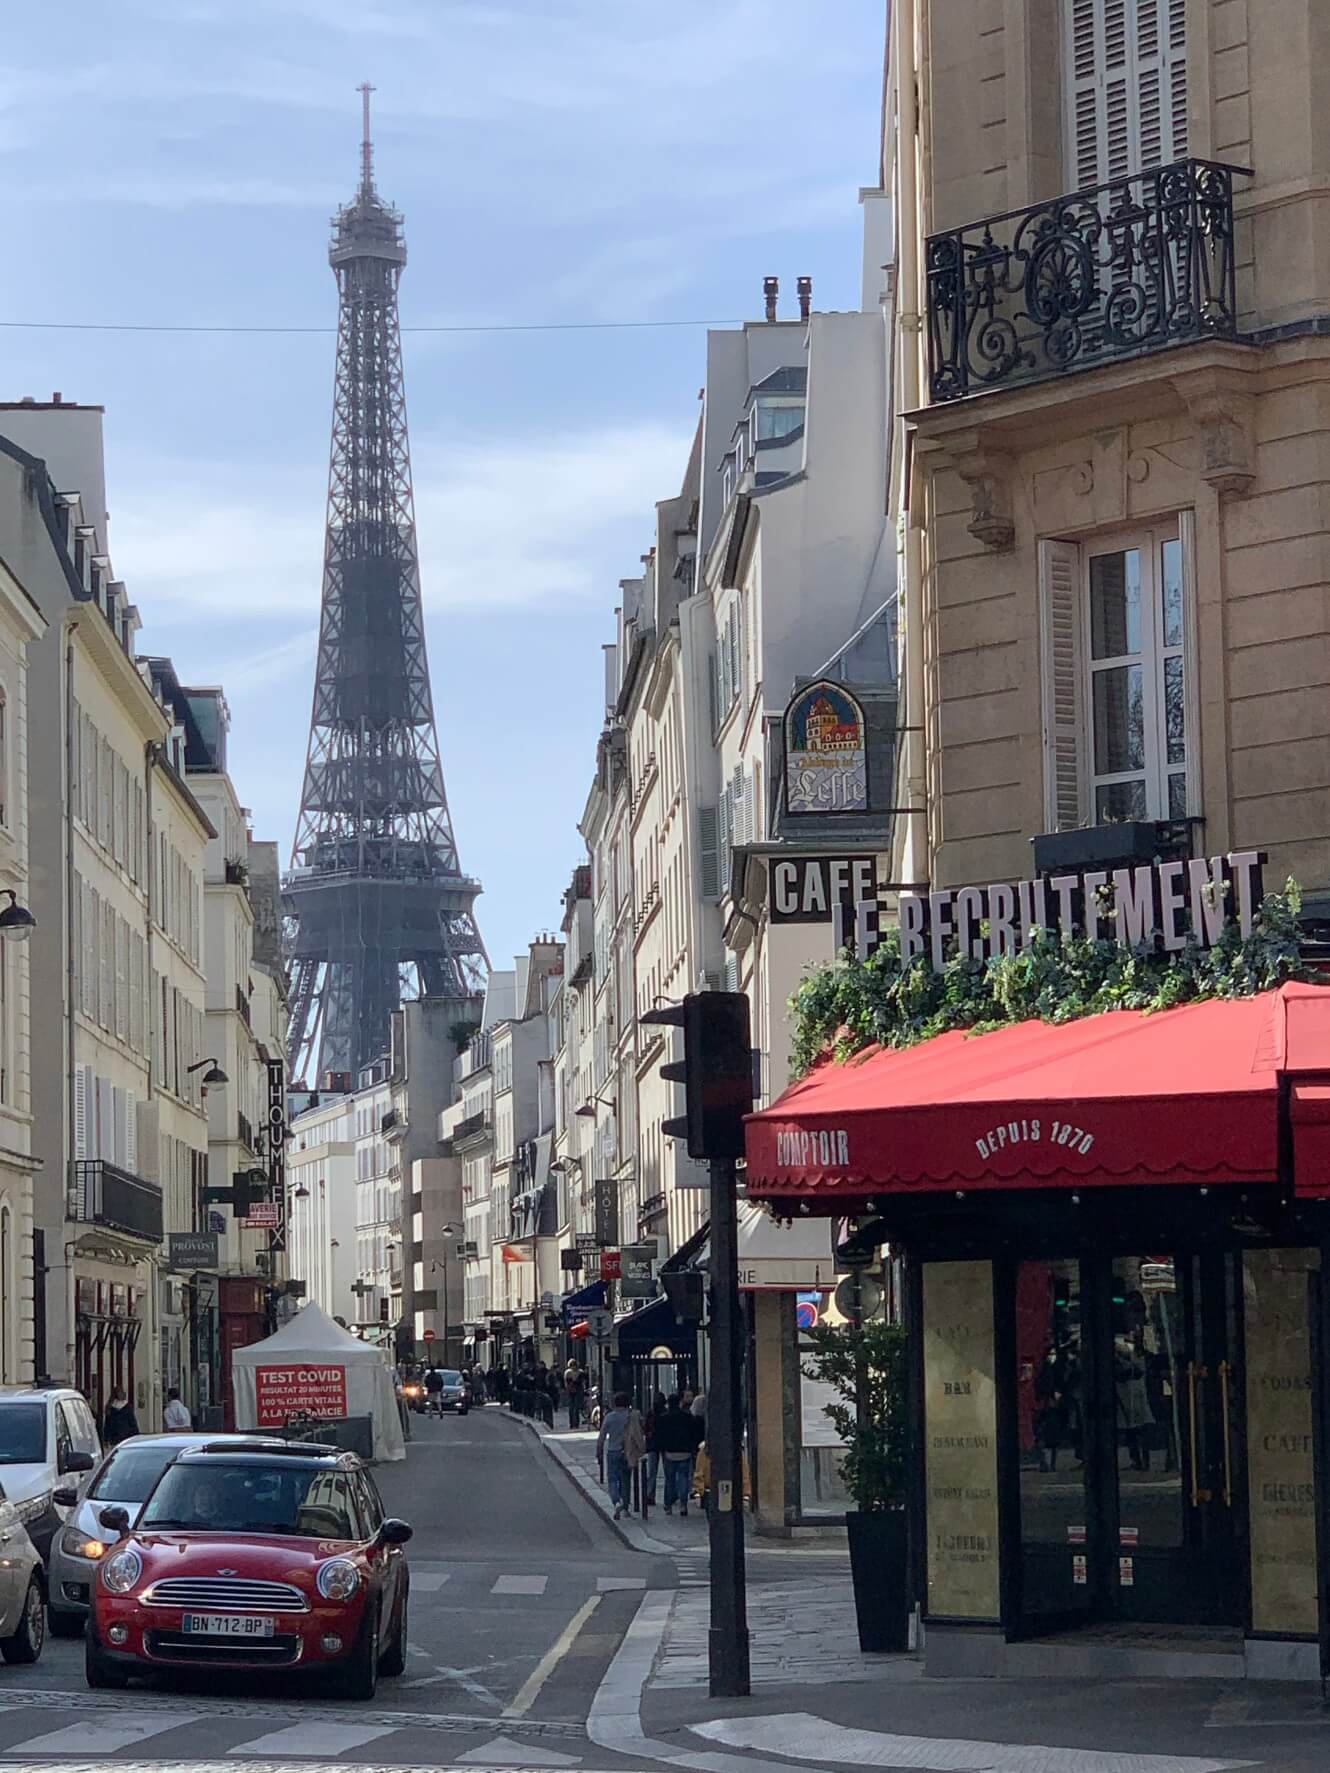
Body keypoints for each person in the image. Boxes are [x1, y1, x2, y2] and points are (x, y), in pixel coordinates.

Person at [597, 1391, 640, 1519]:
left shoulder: (610, 1417)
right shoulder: (632, 1416)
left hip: (613, 1450)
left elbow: (602, 1436)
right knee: (626, 1480)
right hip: (628, 1451)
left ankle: (616, 1502)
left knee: (613, 1479)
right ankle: (626, 1507)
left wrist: (598, 1450)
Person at [654, 1394, 696, 1515]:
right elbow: (694, 1432)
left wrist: (661, 1448)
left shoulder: (664, 1418)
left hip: (669, 1452)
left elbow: (659, 1435)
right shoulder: (687, 1417)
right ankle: (683, 1504)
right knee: (683, 1478)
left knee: (670, 1479)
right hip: (685, 1451)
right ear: (679, 1402)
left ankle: (668, 1504)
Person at [642, 1390, 667, 1505]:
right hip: (665, 1444)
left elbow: (645, 1429)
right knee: (668, 1472)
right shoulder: (665, 1413)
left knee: (652, 1472)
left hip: (653, 1445)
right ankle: (669, 1496)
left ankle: (650, 1495)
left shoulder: (650, 1414)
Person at [564, 1360, 586, 1430]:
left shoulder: (580, 1372)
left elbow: (582, 1381)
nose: (573, 1367)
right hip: (572, 1391)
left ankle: (575, 1423)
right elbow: (567, 1382)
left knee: (575, 1407)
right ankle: (572, 1423)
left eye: (574, 1365)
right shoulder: (568, 1372)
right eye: (572, 1365)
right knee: (572, 1407)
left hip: (577, 1391)